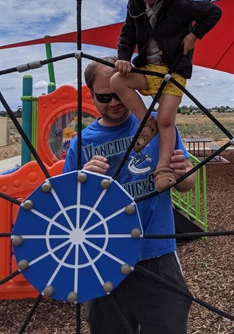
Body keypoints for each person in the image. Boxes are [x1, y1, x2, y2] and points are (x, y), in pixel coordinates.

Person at [63, 56, 195, 334]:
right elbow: (68, 208)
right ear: (91, 95)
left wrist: (182, 173)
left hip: (156, 255)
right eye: (104, 96)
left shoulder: (158, 127)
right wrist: (84, 180)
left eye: (119, 94)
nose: (114, 102)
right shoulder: (81, 144)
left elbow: (186, 183)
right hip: (101, 259)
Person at [111, 0, 222, 192]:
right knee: (117, 80)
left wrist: (194, 35)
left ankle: (162, 168)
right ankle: (144, 123)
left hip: (173, 71)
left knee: (165, 119)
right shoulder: (136, 4)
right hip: (148, 69)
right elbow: (127, 33)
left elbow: (213, 12)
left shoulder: (179, 4)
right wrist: (124, 57)